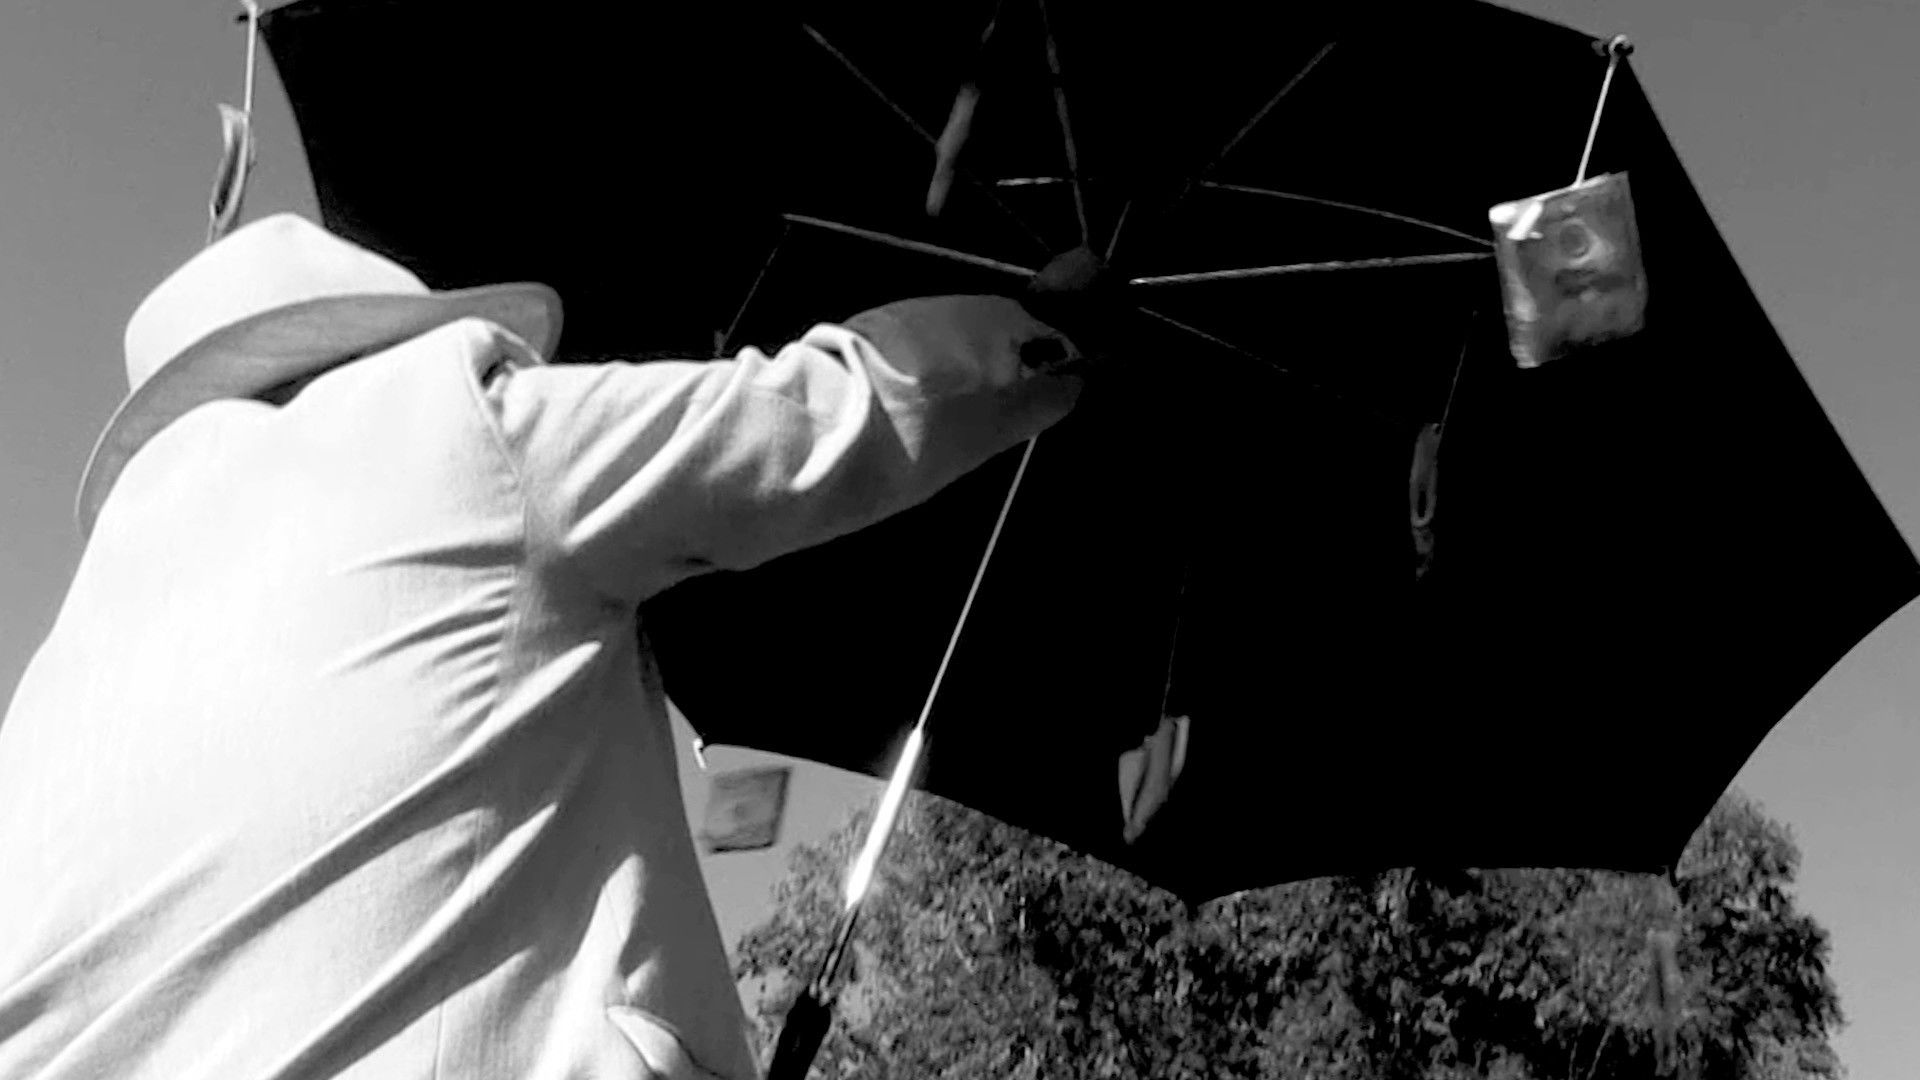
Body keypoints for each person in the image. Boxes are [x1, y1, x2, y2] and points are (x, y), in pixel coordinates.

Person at [0, 214, 1118, 1080]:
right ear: (367, 334)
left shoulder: (53, 695)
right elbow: (804, 419)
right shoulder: (447, 425)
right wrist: (1038, 336)